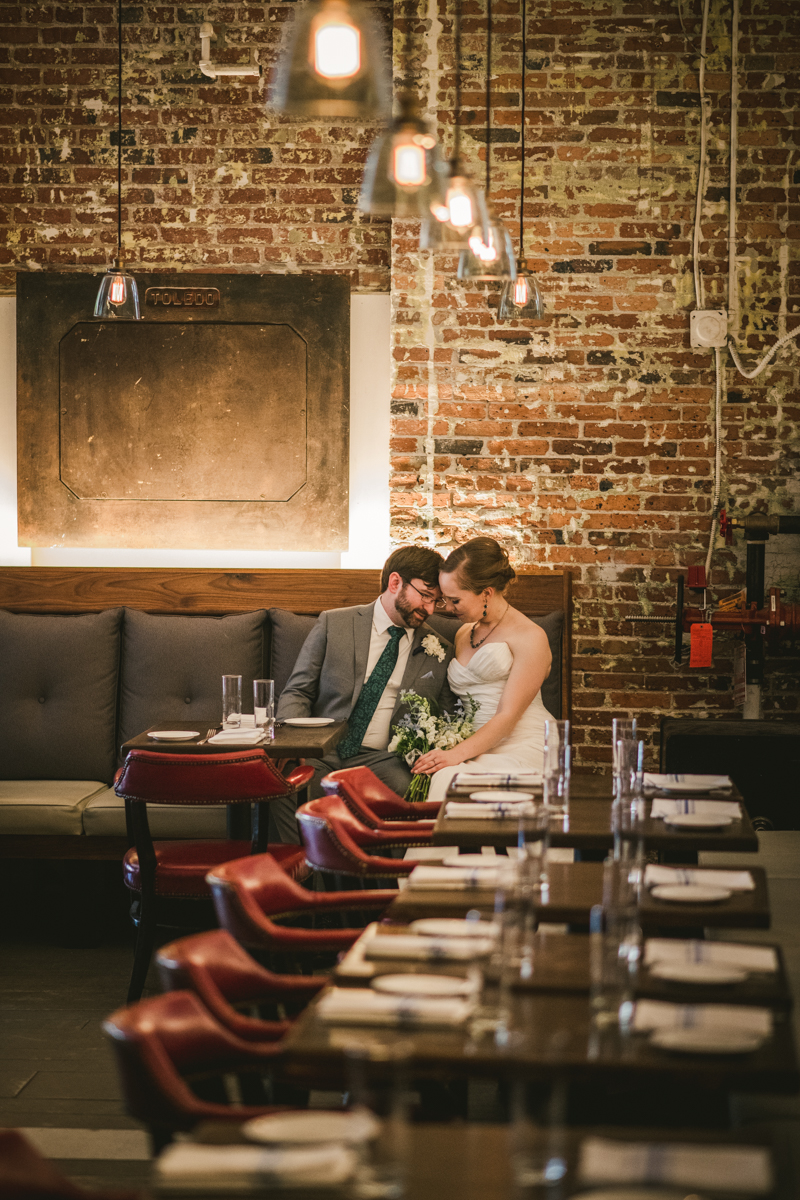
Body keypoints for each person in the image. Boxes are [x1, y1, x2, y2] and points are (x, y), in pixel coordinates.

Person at [273, 545, 457, 842]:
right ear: (395, 582)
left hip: (385, 760)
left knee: (410, 791)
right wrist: (295, 744)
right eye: (425, 596)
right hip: (323, 751)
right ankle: (307, 877)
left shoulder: (438, 650)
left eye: (437, 601)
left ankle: (384, 882)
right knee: (283, 786)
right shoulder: (335, 623)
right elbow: (298, 690)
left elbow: (446, 713)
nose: (431, 609)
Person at [411, 537, 554, 804]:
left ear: (486, 593)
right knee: (444, 778)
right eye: (444, 600)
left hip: (521, 743)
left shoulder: (530, 637)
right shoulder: (465, 633)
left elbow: (508, 715)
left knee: (450, 779)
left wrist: (455, 755)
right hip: (475, 744)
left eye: (455, 600)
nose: (448, 609)